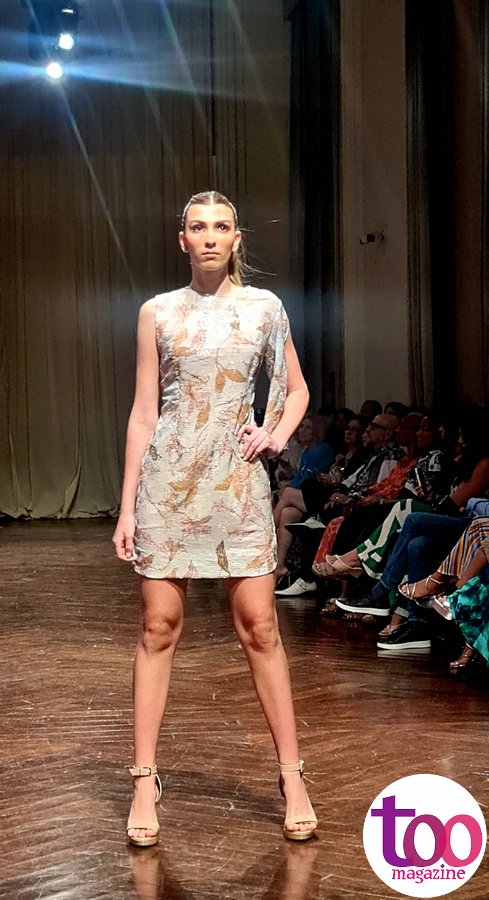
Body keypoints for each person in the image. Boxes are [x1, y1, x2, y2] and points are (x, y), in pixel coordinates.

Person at [112, 191, 317, 847]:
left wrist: (275, 435)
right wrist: (126, 506)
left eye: (220, 227)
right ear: (182, 240)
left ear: (235, 238)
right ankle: (144, 779)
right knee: (158, 627)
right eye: (197, 227)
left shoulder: (264, 309)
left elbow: (296, 390)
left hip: (237, 484)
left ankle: (291, 776)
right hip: (167, 487)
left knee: (260, 626)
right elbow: (144, 412)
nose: (208, 237)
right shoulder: (157, 312)